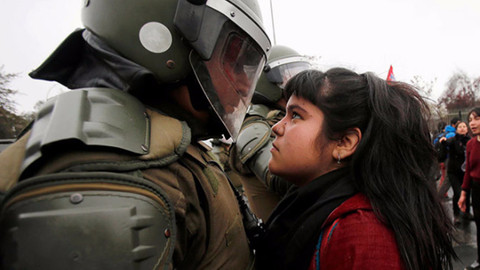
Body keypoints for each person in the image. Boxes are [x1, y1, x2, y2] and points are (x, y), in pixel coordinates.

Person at [0, 0, 271, 269]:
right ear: (164, 39)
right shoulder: (107, 166)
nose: (245, 83)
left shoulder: (168, 139)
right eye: (234, 62)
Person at [255, 68, 456, 270]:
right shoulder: (317, 205)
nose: (277, 127)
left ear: (345, 142)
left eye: (296, 115)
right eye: (285, 114)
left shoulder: (361, 234)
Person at [229, 45, 311, 221]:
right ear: (267, 80)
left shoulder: (284, 117)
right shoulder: (253, 128)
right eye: (288, 76)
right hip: (284, 239)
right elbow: (281, 177)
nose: (298, 84)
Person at [459, 108, 480, 270]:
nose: (472, 123)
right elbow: (468, 171)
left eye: (477, 118)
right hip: (476, 189)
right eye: (470, 119)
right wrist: (464, 193)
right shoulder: (471, 144)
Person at [438, 121, 471, 224]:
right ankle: (456, 214)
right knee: (458, 192)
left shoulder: (470, 141)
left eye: (464, 126)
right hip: (453, 172)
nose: (462, 128)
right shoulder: (453, 140)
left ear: (467, 128)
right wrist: (443, 141)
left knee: (467, 192)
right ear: (456, 129)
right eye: (460, 127)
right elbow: (446, 143)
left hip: (466, 172)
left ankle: (466, 212)